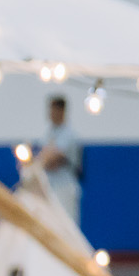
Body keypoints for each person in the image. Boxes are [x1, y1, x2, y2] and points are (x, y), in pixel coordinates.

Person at [36, 93, 84, 223]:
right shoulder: (48, 134)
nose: (51, 113)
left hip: (65, 188)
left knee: (66, 225)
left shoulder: (69, 135)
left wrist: (42, 161)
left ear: (61, 111)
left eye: (54, 110)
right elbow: (44, 158)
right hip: (49, 188)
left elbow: (52, 159)